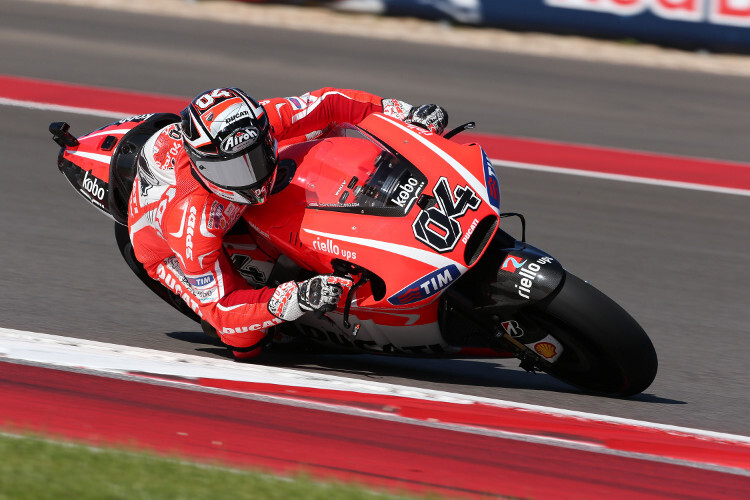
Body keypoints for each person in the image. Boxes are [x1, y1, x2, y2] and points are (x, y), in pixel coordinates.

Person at [127, 87, 448, 359]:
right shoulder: (191, 225)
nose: (253, 177)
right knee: (246, 342)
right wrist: (295, 298)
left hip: (217, 191)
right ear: (206, 169)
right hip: (163, 248)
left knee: (325, 131)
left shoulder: (256, 122)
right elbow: (222, 313)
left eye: (258, 156)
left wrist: (404, 114)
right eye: (236, 171)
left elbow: (331, 103)